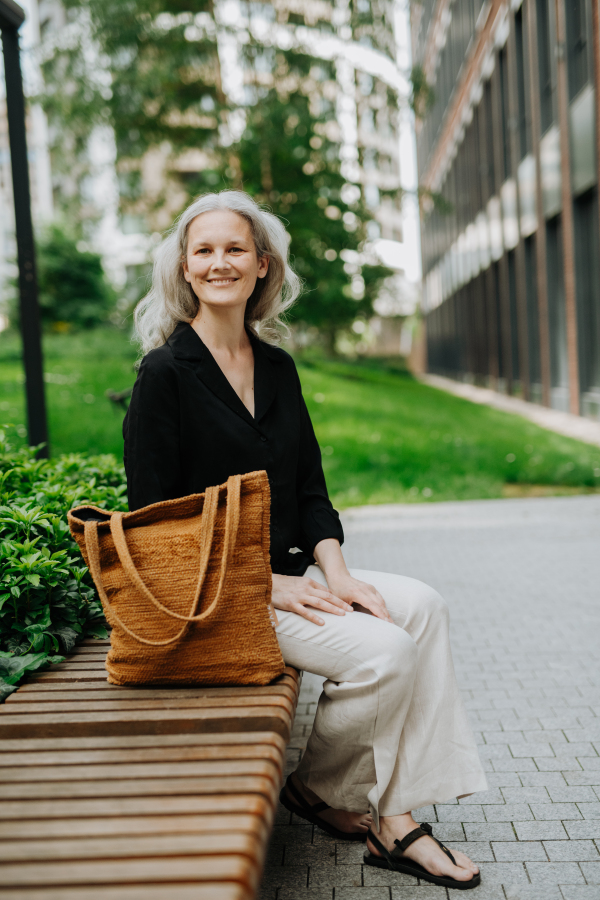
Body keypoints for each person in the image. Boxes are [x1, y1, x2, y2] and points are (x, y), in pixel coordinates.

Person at [124, 190, 487, 890]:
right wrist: (266, 583)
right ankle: (347, 801)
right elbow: (155, 522)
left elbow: (312, 492)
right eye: (204, 250)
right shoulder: (164, 375)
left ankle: (376, 806)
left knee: (424, 606)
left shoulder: (279, 368)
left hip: (292, 576)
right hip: (214, 599)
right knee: (385, 652)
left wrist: (339, 575)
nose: (219, 262)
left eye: (235, 249)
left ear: (263, 266)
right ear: (184, 267)